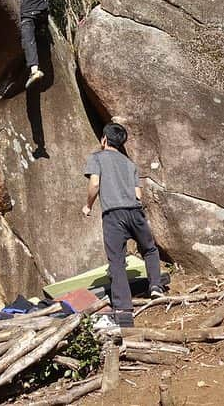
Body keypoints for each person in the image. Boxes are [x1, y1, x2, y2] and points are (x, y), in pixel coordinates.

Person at [82, 123, 167, 327]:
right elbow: (138, 193)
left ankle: (123, 311)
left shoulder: (97, 158)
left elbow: (94, 183)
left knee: (117, 261)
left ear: (104, 139)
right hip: (135, 211)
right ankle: (155, 286)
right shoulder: (129, 164)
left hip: (113, 215)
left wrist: (87, 205)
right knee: (149, 249)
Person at [9, 0, 50, 88]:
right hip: (42, 13)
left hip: (29, 12)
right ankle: (42, 30)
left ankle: (34, 70)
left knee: (28, 40)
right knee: (39, 29)